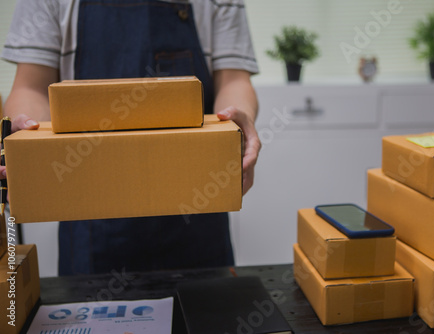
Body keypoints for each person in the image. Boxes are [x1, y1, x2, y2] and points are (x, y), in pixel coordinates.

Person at [1, 0, 261, 275]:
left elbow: (233, 79)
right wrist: (27, 138)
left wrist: (237, 122)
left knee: (209, 314)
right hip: (89, 218)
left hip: (199, 209)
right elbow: (31, 86)